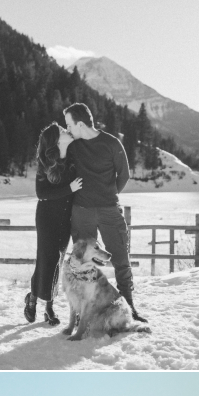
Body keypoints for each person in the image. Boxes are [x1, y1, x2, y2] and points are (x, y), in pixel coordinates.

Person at [62, 103, 148, 324]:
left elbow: (124, 174)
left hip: (110, 210)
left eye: (70, 124)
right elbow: (63, 172)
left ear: (80, 124)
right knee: (81, 262)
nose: (68, 129)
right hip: (81, 211)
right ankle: (83, 310)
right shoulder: (73, 147)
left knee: (121, 259)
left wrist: (109, 195)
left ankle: (129, 308)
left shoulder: (111, 143)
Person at [24, 123, 82, 326]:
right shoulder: (45, 162)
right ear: (56, 140)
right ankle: (35, 300)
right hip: (47, 218)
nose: (67, 132)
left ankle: (47, 304)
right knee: (45, 259)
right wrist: (69, 188)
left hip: (65, 219)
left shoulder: (72, 157)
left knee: (57, 261)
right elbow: (42, 193)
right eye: (63, 132)